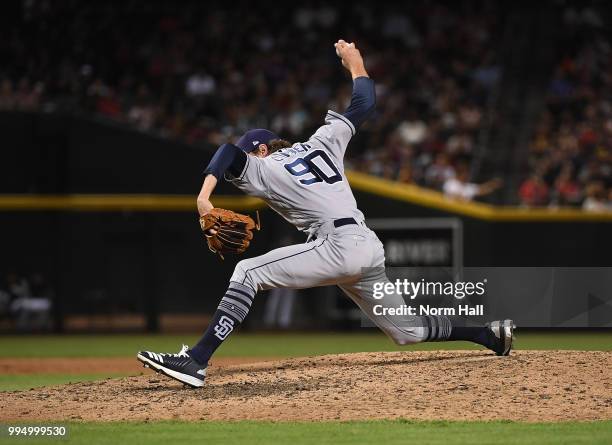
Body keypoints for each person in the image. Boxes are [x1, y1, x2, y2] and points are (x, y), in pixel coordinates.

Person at [138, 40, 515, 388]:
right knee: (408, 332)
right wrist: (356, 63)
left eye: (251, 152)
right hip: (367, 245)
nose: (247, 161)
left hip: (336, 246)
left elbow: (225, 154)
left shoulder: (265, 166)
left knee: (247, 272)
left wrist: (204, 199)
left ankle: (197, 362)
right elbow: (364, 104)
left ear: (262, 150)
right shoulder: (322, 141)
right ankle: (488, 335)